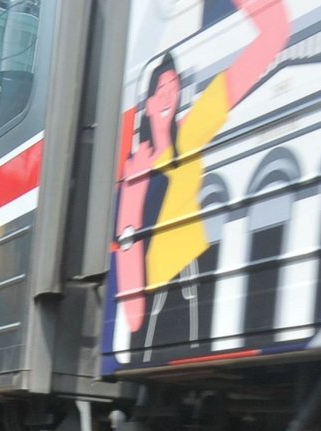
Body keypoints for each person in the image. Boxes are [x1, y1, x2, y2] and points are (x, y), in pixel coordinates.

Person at [113, 0, 288, 357]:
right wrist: (133, 314)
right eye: (159, 90)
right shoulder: (136, 168)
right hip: (156, 301)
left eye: (173, 87)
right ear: (146, 104)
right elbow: (127, 247)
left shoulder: (191, 131)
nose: (168, 95)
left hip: (196, 280)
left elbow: (273, 36)